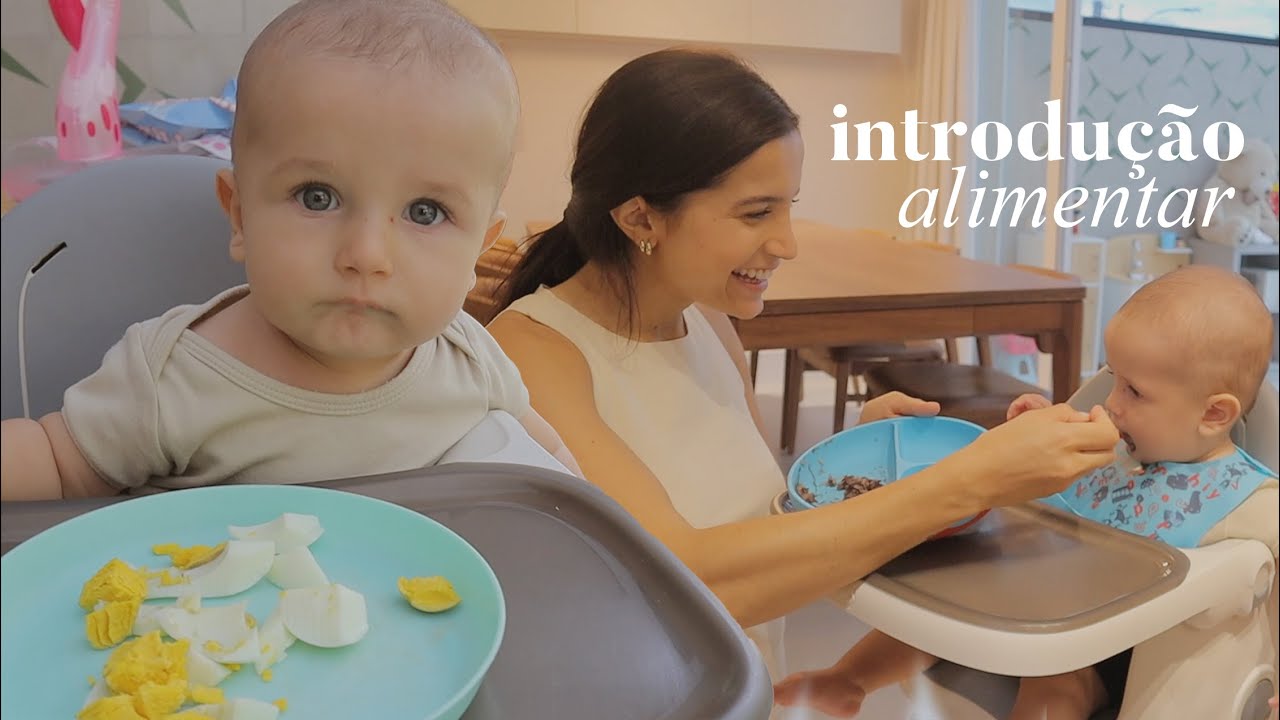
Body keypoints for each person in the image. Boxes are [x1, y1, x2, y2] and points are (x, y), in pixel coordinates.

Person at [484, 47, 1121, 680]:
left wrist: (857, 466)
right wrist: (973, 479)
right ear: (639, 215)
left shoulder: (707, 324)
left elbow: (767, 520)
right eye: (757, 212)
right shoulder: (535, 354)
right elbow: (687, 579)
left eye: (789, 205)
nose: (786, 243)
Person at [0, 0, 580, 501]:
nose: (367, 254)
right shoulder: (171, 379)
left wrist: (603, 529)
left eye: (425, 212)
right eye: (318, 197)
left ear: (480, 246)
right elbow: (55, 463)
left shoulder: (470, 358)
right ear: (241, 215)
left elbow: (549, 466)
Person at [774, 265, 1279, 719]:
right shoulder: (1121, 447)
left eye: (1135, 392)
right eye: (1113, 379)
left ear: (1214, 415)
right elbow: (1042, 488)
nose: (1112, 403)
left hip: (1117, 656)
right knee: (942, 617)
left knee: (1052, 691)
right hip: (1047, 606)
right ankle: (847, 680)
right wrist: (1032, 434)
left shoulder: (1247, 499)